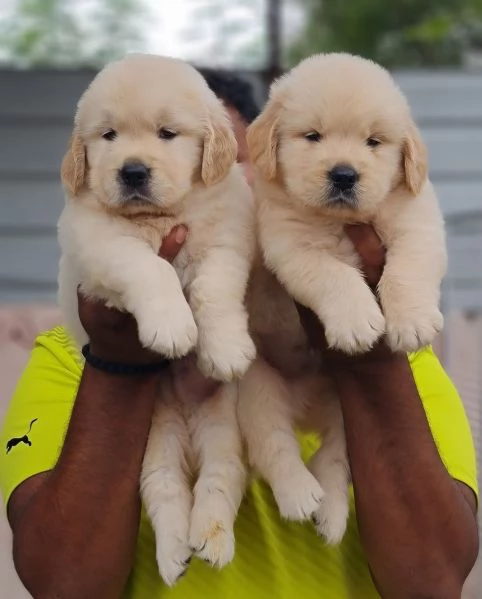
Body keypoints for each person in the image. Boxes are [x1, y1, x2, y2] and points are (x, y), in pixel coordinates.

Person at [0, 71, 478, 599]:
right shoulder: (70, 353)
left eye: (226, 167)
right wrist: (119, 363)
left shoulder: (401, 345)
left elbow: (435, 581)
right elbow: (59, 583)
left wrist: (366, 359)